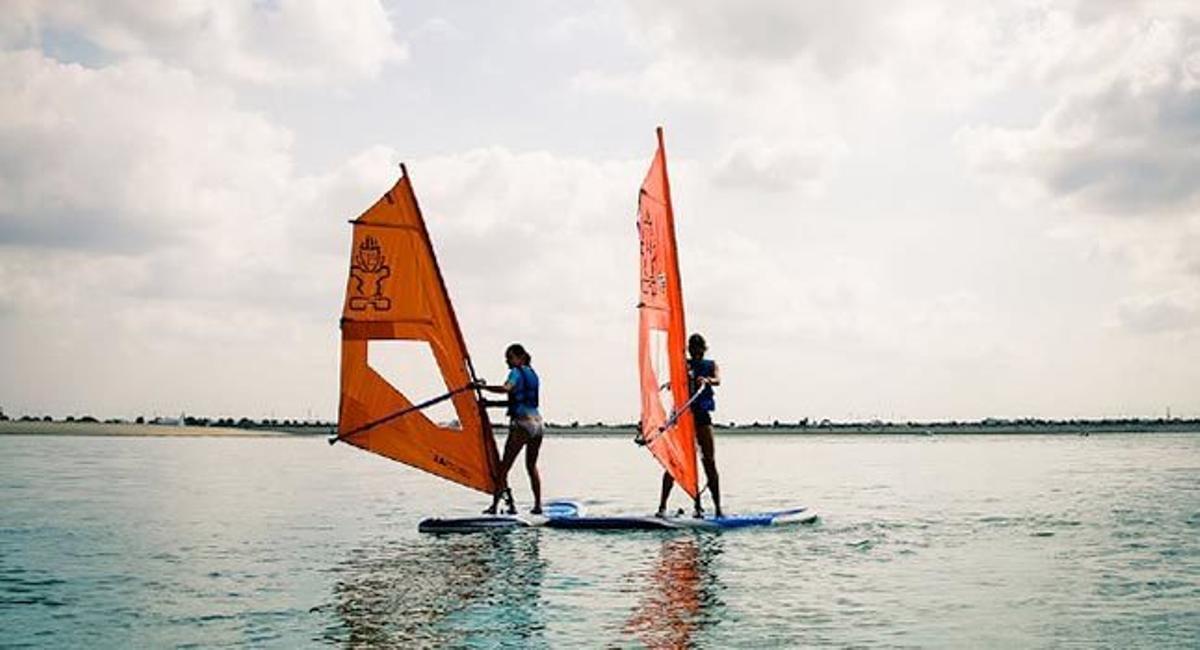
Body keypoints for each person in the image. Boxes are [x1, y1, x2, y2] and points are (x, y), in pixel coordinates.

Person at [657, 333, 723, 518]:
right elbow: (677, 377)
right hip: (683, 417)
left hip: (702, 416)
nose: (696, 351)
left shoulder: (711, 365)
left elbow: (718, 379)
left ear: (704, 348)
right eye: (692, 347)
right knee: (674, 463)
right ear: (689, 348)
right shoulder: (683, 364)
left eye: (699, 347)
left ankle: (717, 508)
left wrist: (707, 380)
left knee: (709, 461)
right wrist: (673, 383)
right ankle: (662, 507)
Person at [478, 343, 544, 515]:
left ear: (520, 357)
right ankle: (538, 506)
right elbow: (516, 401)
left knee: (503, 468)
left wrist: (482, 387)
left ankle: (493, 507)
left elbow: (506, 389)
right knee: (531, 466)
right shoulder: (533, 374)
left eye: (509, 357)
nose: (506, 361)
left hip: (522, 425)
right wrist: (489, 404)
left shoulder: (515, 372)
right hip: (538, 424)